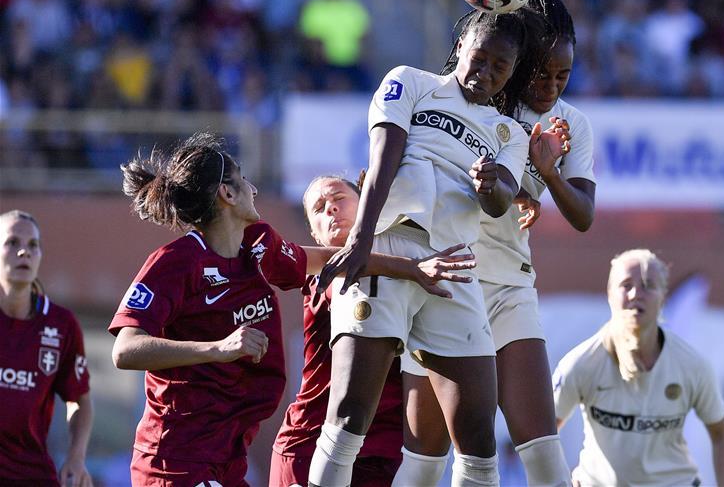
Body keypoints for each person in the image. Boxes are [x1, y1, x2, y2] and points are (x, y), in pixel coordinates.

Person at [109, 132, 476, 487]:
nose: (254, 189)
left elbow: (334, 259)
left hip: (229, 455)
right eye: (245, 180)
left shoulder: (259, 246)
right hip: (177, 457)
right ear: (228, 193)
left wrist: (412, 268)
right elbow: (125, 349)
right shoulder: (177, 262)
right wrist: (218, 349)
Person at [309, 9, 559, 487]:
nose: (484, 73)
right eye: (479, 58)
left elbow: (501, 199)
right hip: (390, 243)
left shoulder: (508, 132)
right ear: (461, 44)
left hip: (457, 268)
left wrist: (491, 187)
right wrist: (361, 239)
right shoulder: (411, 82)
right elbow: (384, 155)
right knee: (348, 417)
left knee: (479, 441)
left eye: (499, 68)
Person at [396, 0, 595, 487]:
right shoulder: (473, 97)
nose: (550, 87)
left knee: (543, 449)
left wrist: (546, 177)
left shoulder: (570, 124)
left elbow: (585, 215)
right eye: (541, 72)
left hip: (508, 286)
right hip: (445, 282)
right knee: (425, 458)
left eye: (563, 76)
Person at [271, 173, 426, 486]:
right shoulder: (324, 276)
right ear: (315, 235)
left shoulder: (412, 257)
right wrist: (413, 269)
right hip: (312, 444)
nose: (330, 209)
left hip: (385, 450)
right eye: (319, 208)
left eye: (339, 198)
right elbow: (349, 268)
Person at [553, 250, 724, 487]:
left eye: (647, 286)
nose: (635, 294)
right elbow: (544, 433)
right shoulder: (581, 362)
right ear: (610, 294)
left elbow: (722, 434)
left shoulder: (691, 366)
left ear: (662, 297)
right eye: (626, 285)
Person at [0, 210, 93, 487]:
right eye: (12, 242)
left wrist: (76, 458)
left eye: (33, 245)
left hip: (32, 476)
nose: (23, 253)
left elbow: (80, 400)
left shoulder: (61, 324)